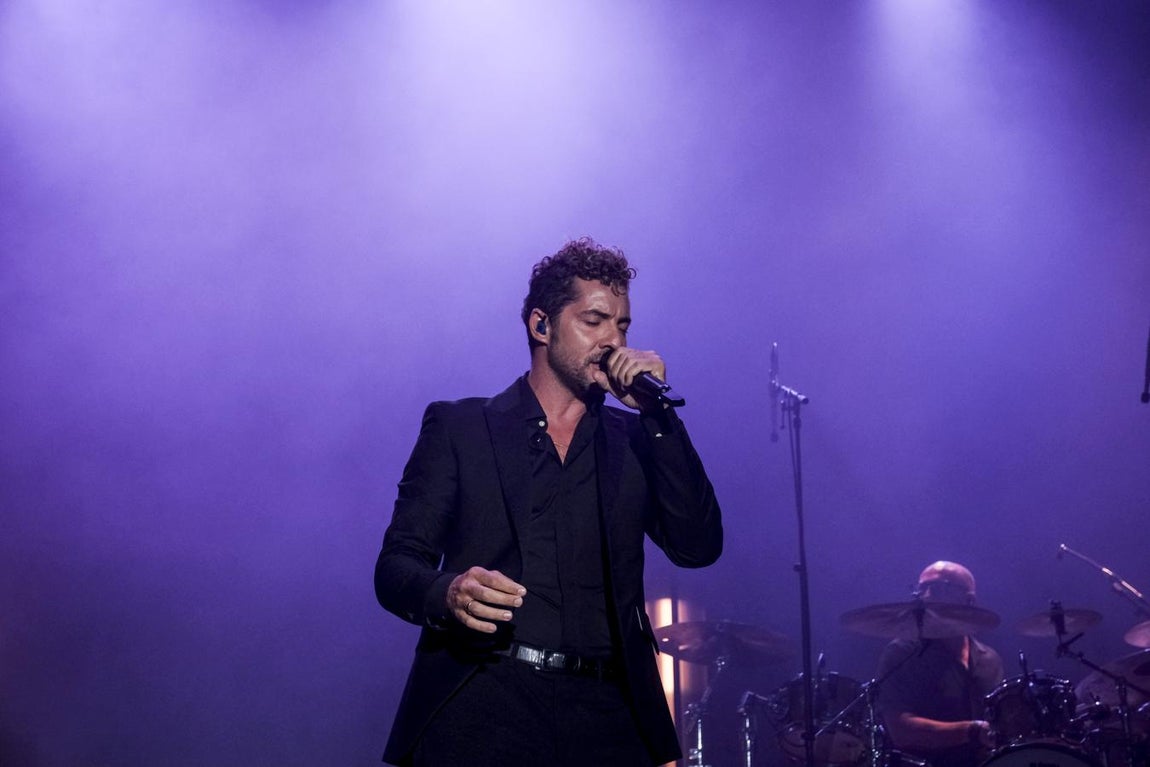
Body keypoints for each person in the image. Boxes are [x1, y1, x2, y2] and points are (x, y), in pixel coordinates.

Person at [374, 237, 724, 767]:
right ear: (541, 326)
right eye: (595, 321)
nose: (613, 341)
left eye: (623, 325)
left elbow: (698, 546)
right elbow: (396, 566)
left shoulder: (636, 438)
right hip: (486, 699)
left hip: (609, 712)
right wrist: (448, 592)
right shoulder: (462, 428)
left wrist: (659, 418)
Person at [875, 561, 1005, 767]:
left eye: (937, 588)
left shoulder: (990, 658)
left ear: (969, 600)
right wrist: (971, 731)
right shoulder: (902, 653)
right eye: (921, 589)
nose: (925, 596)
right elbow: (900, 731)